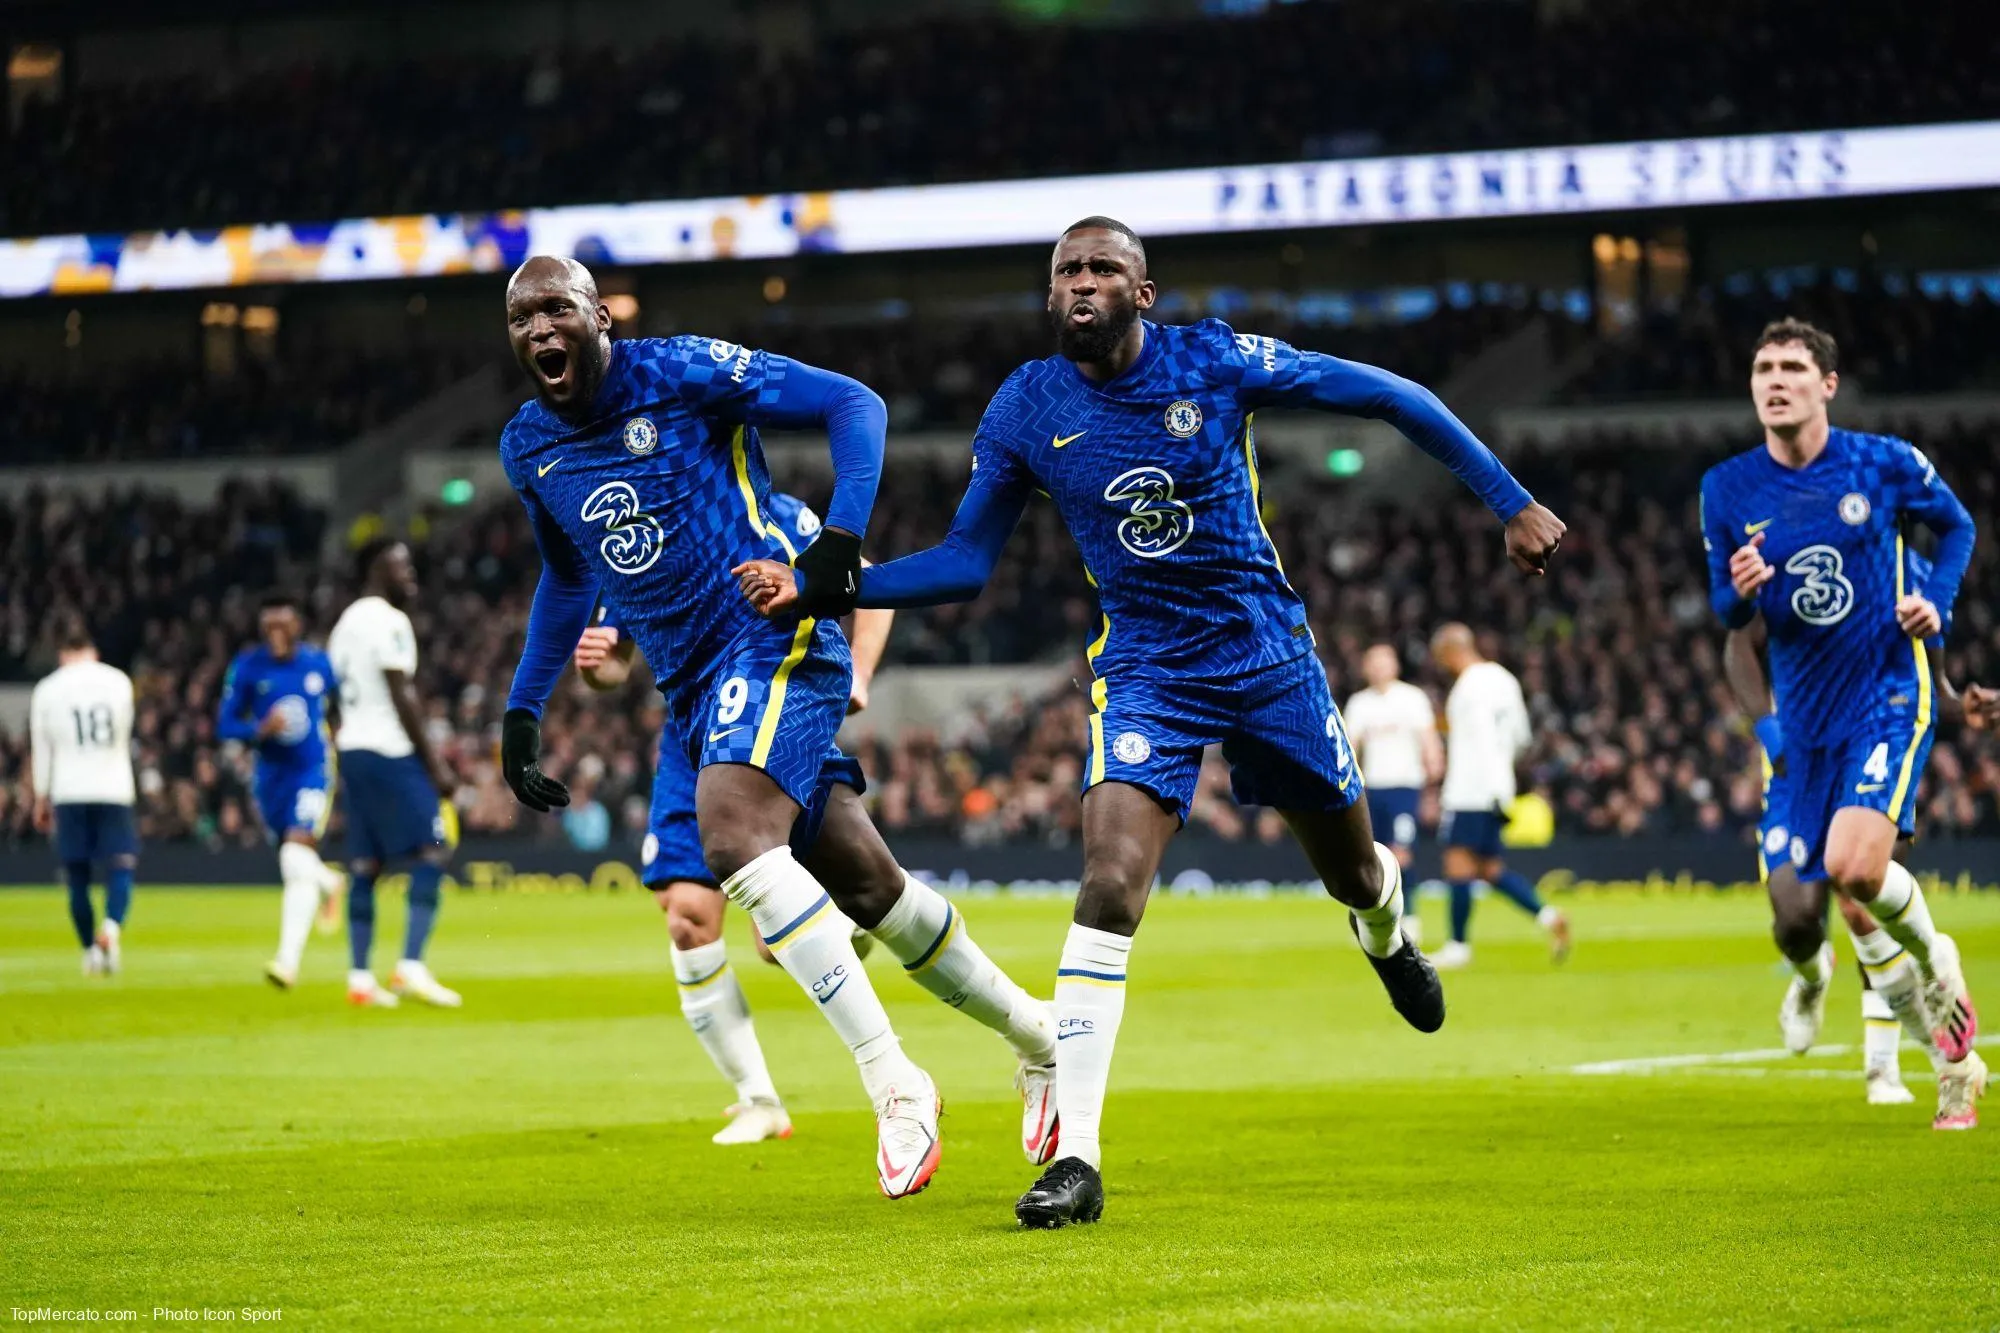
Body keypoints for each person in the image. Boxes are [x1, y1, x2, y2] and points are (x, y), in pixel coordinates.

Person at [737, 217, 1565, 1227]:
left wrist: (1509, 500)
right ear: (1050, 296)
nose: (1081, 283)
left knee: (1349, 868)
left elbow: (1391, 395)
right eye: (1066, 272)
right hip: (1144, 671)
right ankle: (1075, 1158)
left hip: (1265, 656)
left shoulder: (1212, 361)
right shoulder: (1026, 407)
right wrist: (837, 588)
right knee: (1109, 882)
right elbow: (965, 560)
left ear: (1144, 292)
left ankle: (1384, 926)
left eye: (1102, 269)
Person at [496, 256, 1056, 1198]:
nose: (542, 328)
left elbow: (856, 404)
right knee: (871, 885)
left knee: (730, 834)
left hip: (771, 636)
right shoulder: (528, 446)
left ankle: (895, 1080)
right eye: (522, 317)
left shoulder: (678, 371)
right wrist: (524, 701)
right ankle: (1042, 1037)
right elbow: (565, 578)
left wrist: (837, 544)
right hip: (691, 687)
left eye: (559, 307)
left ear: (600, 316)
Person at [571, 490, 922, 1147]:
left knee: (773, 944)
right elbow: (614, 662)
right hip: (689, 737)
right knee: (686, 918)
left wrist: (861, 675)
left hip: (772, 719)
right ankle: (758, 1099)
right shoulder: (630, 541)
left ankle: (847, 923)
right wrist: (600, 666)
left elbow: (872, 583)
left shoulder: (764, 514)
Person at [1700, 316, 1983, 1130]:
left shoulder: (1882, 464)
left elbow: (1956, 525)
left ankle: (1938, 973)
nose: (1774, 379)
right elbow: (1726, 610)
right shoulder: (1728, 488)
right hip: (1805, 714)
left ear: (1827, 384)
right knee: (1825, 911)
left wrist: (1940, 604)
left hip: (1886, 690)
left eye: (1792, 366)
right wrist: (1742, 589)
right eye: (1762, 368)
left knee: (1856, 872)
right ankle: (1945, 1052)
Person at [1724, 518, 1995, 1126]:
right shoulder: (1801, 563)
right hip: (1797, 765)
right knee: (1796, 921)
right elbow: (1741, 642)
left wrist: (1964, 707)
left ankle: (1910, 1064)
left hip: (1877, 748)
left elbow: (1935, 683)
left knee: (1859, 898)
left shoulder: (1920, 584)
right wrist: (1770, 732)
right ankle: (1814, 975)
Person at [327, 539, 461, 1009]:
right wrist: (435, 764)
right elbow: (400, 693)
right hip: (390, 750)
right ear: (375, 570)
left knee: (365, 864)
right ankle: (410, 966)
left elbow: (331, 700)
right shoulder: (389, 621)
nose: (409, 573)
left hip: (354, 751)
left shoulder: (343, 625)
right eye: (399, 565)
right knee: (434, 847)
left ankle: (360, 977)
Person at [218, 594, 347, 989]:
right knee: (295, 864)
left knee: (295, 852)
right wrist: (259, 730)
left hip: (312, 770)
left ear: (297, 626)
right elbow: (224, 724)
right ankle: (330, 882)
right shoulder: (247, 667)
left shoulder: (318, 665)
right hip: (270, 778)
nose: (276, 633)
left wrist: (342, 743)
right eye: (268, 625)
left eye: (282, 625)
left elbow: (342, 709)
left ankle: (286, 962)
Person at [1427, 624, 1570, 969]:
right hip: (1499, 786)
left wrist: (1464, 788)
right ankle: (1550, 917)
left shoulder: (1467, 688)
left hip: (1472, 788)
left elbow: (1477, 741)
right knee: (1489, 869)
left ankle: (1458, 947)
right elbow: (1521, 737)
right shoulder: (1505, 680)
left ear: (1450, 651)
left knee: (1457, 863)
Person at [28, 615, 137, 977]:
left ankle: (90, 950)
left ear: (62, 653)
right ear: (94, 651)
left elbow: (43, 749)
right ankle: (111, 928)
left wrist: (41, 798)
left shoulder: (47, 689)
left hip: (70, 788)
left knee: (77, 876)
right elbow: (124, 731)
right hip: (114, 786)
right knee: (120, 865)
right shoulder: (118, 681)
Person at [1343, 644, 1442, 940]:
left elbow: (1429, 740)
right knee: (1370, 857)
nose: (1378, 668)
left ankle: (1409, 917)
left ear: (1395, 666)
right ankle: (1372, 920)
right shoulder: (1360, 703)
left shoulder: (1412, 698)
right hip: (1372, 788)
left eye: (1383, 662)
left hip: (1405, 787)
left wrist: (1432, 784)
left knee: (1401, 854)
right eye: (1372, 662)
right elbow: (1350, 747)